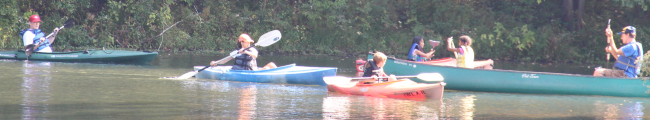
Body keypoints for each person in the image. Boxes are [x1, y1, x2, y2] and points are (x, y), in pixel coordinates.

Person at [210, 33, 277, 70]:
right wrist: (216, 62)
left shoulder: (253, 50)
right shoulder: (236, 52)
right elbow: (225, 60)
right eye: (245, 42)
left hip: (253, 71)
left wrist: (245, 51)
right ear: (241, 42)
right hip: (242, 72)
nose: (248, 44)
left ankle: (281, 76)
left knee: (271, 64)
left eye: (248, 42)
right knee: (266, 69)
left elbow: (255, 55)